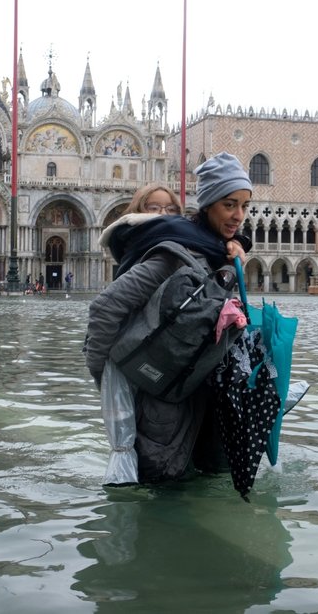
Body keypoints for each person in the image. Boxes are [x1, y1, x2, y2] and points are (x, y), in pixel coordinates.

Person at [84, 152, 253, 484]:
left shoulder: (217, 251)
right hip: (161, 410)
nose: (239, 215)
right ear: (207, 205)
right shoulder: (175, 254)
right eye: (229, 204)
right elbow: (105, 308)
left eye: (245, 206)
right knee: (161, 492)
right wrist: (105, 378)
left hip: (199, 401)